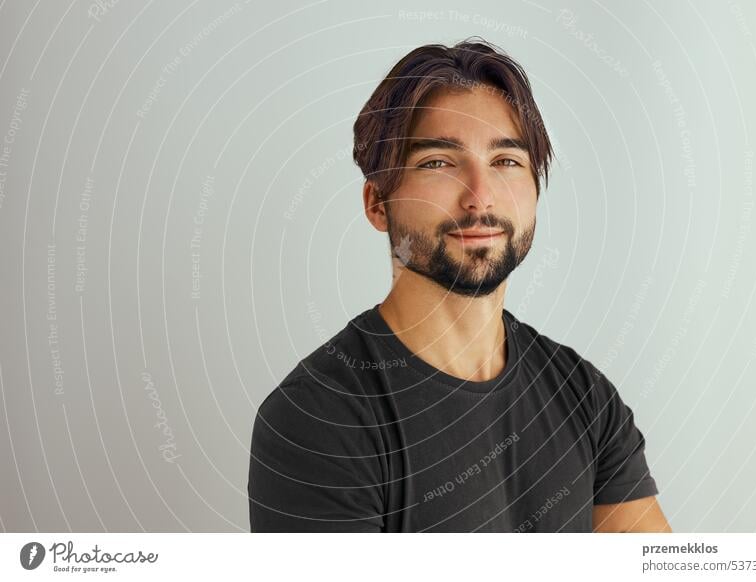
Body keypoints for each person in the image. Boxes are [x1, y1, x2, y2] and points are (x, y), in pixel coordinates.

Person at [249, 37, 671, 533]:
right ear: (377, 204)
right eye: (438, 163)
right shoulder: (319, 418)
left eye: (506, 161)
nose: (480, 196)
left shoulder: (585, 398)